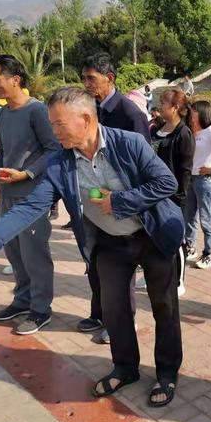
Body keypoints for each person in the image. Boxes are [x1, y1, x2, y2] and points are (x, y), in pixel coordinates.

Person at [0, 87, 184, 407]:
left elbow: (166, 183)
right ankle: (125, 367)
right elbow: (32, 205)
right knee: (114, 311)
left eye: (59, 124)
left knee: (165, 308)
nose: (53, 131)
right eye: (51, 124)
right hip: (110, 244)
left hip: (153, 236)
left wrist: (118, 201)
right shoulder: (59, 162)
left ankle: (168, 372)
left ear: (86, 119)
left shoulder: (129, 143)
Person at [0, 54, 60, 335]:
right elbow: (3, 155)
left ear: (15, 79)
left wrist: (28, 173)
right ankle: (22, 301)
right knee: (15, 253)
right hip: (7, 193)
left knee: (35, 255)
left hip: (32, 196)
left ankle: (41, 309)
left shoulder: (37, 111)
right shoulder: (3, 114)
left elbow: (53, 149)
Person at [77, 52, 151, 344]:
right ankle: (99, 313)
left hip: (119, 205)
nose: (86, 84)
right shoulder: (91, 110)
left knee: (121, 270)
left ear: (110, 78)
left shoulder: (130, 114)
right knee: (94, 260)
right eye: (84, 78)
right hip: (92, 200)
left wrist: (125, 201)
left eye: (91, 78)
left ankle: (122, 322)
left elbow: (145, 166)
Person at [136, 89, 194, 296]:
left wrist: (178, 197)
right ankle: (152, 274)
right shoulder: (156, 129)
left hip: (173, 197)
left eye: (163, 102)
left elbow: (185, 170)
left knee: (176, 239)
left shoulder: (183, 133)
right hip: (152, 193)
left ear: (175, 107)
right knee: (152, 236)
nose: (159, 106)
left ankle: (178, 281)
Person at [184, 99, 211, 269]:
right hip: (190, 179)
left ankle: (209, 253)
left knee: (206, 219)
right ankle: (190, 246)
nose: (191, 113)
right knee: (189, 217)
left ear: (202, 113)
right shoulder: (192, 131)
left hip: (204, 181)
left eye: (194, 111)